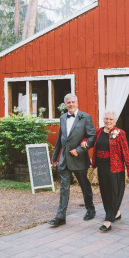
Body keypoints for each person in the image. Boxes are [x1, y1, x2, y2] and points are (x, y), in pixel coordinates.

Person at [48, 93, 96, 227]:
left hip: (79, 159)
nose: (71, 104)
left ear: (77, 103)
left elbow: (92, 137)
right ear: (65, 104)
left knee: (84, 186)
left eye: (73, 102)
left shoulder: (85, 117)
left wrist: (80, 150)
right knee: (64, 189)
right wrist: (54, 157)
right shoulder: (63, 117)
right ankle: (60, 217)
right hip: (64, 160)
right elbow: (60, 138)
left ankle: (90, 209)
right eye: (68, 102)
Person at [89, 110, 129, 232]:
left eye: (111, 119)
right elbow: (92, 143)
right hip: (102, 167)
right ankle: (116, 212)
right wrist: (83, 142)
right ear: (103, 120)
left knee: (113, 193)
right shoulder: (99, 131)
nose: (108, 121)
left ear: (114, 121)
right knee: (105, 192)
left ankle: (108, 220)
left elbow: (126, 152)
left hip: (115, 168)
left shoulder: (120, 133)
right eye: (106, 119)